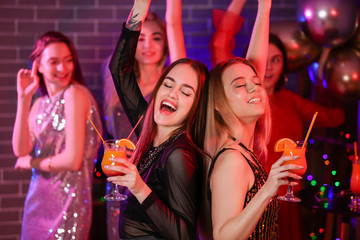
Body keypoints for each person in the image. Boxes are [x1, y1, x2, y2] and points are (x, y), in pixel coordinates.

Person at [209, 0, 345, 239]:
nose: (255, 87)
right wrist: (270, 188)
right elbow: (222, 236)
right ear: (219, 103)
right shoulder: (231, 158)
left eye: (256, 82)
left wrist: (265, 8)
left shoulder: (245, 150)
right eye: (241, 84)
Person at [105, 0, 208, 239]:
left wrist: (139, 187)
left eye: (185, 92)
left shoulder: (178, 155)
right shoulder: (149, 129)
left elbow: (184, 235)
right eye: (168, 84)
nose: (172, 93)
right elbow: (119, 69)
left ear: (196, 106)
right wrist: (141, 3)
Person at [12, 31, 103, 239]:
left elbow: (72, 160)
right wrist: (23, 99)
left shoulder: (75, 94)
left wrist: (32, 163)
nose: (63, 68)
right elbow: (20, 150)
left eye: (68, 60)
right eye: (54, 62)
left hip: (68, 205)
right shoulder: (38, 103)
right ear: (39, 66)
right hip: (37, 204)